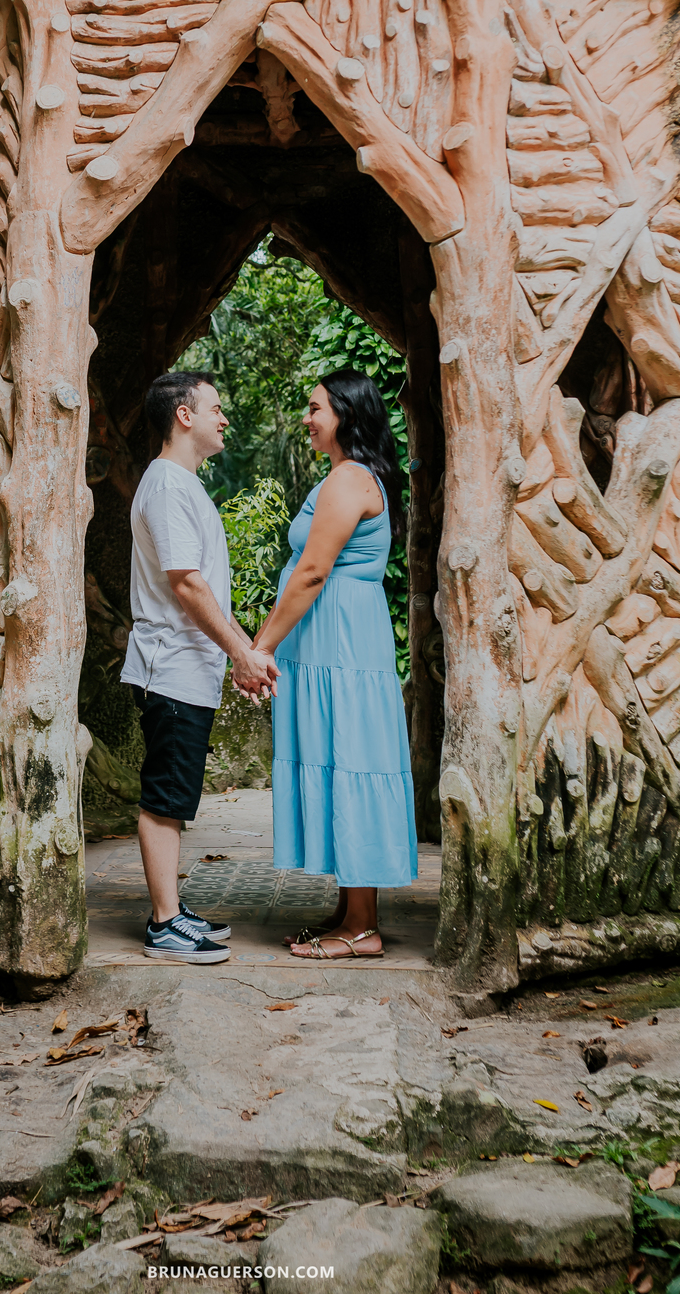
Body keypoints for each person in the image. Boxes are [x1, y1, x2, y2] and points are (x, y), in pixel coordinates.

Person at [253, 370, 417, 960]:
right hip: (333, 646)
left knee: (351, 760)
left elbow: (313, 572)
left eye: (316, 407)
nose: (307, 416)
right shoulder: (345, 476)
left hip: (342, 650)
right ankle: (352, 910)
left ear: (346, 414)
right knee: (340, 759)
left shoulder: (349, 481)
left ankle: (363, 927)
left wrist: (261, 646)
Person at [122, 370, 279, 963]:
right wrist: (241, 652)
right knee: (165, 795)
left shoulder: (182, 484)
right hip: (169, 668)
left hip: (188, 666)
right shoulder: (166, 486)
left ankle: (173, 911)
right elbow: (186, 586)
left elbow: (205, 588)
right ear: (183, 415)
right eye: (216, 407)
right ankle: (164, 926)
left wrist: (244, 653)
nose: (224, 418)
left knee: (175, 794)